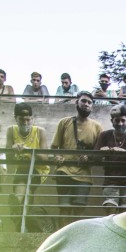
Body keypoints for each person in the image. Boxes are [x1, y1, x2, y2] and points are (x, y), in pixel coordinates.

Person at [50, 91, 103, 225]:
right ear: (76, 102)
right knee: (64, 208)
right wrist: (57, 156)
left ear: (92, 106)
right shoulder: (64, 122)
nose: (86, 105)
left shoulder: (97, 127)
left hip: (84, 174)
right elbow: (54, 146)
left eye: (89, 103)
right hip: (64, 170)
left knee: (79, 209)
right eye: (83, 101)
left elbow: (99, 153)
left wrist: (89, 158)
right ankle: (62, 237)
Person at [5, 102, 51, 231]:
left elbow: (45, 158)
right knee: (26, 196)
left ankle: (17, 201)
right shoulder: (11, 130)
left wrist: (27, 150)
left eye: (28, 119)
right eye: (21, 119)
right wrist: (12, 149)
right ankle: (20, 222)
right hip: (21, 171)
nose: (25, 122)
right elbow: (8, 157)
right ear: (16, 118)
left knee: (25, 174)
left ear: (32, 119)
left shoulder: (40, 131)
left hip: (38, 169)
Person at [93, 104, 126, 210]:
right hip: (110, 180)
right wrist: (103, 153)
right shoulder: (105, 135)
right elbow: (95, 156)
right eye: (117, 121)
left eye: (123, 120)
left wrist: (122, 152)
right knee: (110, 208)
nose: (120, 124)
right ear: (112, 121)